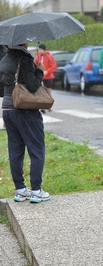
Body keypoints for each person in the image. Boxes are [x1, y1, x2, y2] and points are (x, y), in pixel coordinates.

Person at [0, 43, 51, 203]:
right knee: (37, 149)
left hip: (7, 110)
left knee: (15, 151)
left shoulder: (4, 60)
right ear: (24, 42)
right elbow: (34, 86)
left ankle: (21, 190)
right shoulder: (25, 58)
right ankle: (36, 190)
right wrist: (40, 71)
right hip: (24, 109)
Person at [33, 43, 57, 113]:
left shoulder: (50, 56)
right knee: (40, 92)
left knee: (48, 92)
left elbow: (53, 66)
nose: (40, 51)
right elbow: (35, 64)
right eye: (39, 49)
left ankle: (48, 104)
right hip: (40, 77)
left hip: (48, 77)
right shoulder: (37, 56)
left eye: (41, 50)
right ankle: (42, 106)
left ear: (44, 50)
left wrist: (47, 71)